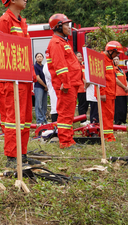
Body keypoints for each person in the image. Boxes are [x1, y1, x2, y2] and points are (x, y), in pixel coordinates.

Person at [0, 0, 38, 166]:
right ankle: (12, 157)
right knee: (13, 119)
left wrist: (31, 74)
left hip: (24, 78)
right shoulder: (4, 21)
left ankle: (23, 153)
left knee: (26, 119)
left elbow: (25, 52)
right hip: (11, 79)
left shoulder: (22, 23)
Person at [46, 14, 83, 150]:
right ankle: (65, 142)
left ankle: (69, 139)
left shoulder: (63, 42)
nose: (69, 27)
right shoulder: (56, 43)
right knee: (65, 114)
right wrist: (66, 83)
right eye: (66, 24)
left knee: (69, 114)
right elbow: (60, 66)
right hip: (66, 85)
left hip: (72, 83)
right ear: (58, 26)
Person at [102, 41, 127, 142]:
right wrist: (102, 92)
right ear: (111, 51)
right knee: (106, 115)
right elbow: (99, 78)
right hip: (105, 93)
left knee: (110, 115)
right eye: (117, 53)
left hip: (111, 92)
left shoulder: (109, 60)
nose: (118, 55)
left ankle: (109, 135)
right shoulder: (102, 59)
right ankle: (106, 136)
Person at [33, 53, 48, 125]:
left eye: (40, 56)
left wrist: (46, 86)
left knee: (44, 104)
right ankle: (39, 120)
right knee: (38, 104)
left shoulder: (44, 66)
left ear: (43, 58)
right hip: (39, 87)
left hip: (45, 87)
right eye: (38, 57)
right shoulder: (35, 66)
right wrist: (45, 86)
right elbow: (37, 78)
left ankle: (44, 119)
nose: (39, 58)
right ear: (35, 58)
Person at [75, 52, 90, 123]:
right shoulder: (76, 66)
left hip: (86, 87)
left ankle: (85, 118)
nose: (80, 57)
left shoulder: (83, 65)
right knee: (82, 105)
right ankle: (82, 120)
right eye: (78, 56)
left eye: (81, 56)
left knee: (86, 104)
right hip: (81, 88)